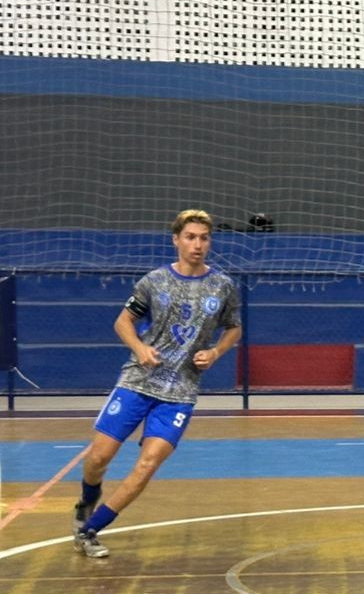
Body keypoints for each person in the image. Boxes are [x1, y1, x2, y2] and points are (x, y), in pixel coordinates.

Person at [72, 210, 242, 560]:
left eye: (204, 238)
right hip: (137, 381)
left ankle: (90, 530)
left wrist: (216, 352)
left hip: (180, 393)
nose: (197, 244)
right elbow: (123, 322)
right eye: (191, 237)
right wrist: (139, 348)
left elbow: (234, 328)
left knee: (148, 464)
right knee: (99, 457)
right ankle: (88, 498)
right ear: (176, 240)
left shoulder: (222, 286)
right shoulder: (154, 281)